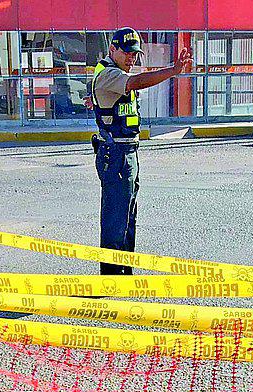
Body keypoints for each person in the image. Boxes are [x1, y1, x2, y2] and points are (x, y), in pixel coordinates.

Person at [90, 29, 192, 276]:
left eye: (135, 54)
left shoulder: (115, 74)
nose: (131, 58)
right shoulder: (110, 74)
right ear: (112, 49)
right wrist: (173, 71)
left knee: (128, 217)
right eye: (126, 52)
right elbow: (136, 82)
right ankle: (111, 278)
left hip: (127, 153)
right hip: (115, 155)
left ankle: (125, 273)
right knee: (116, 218)